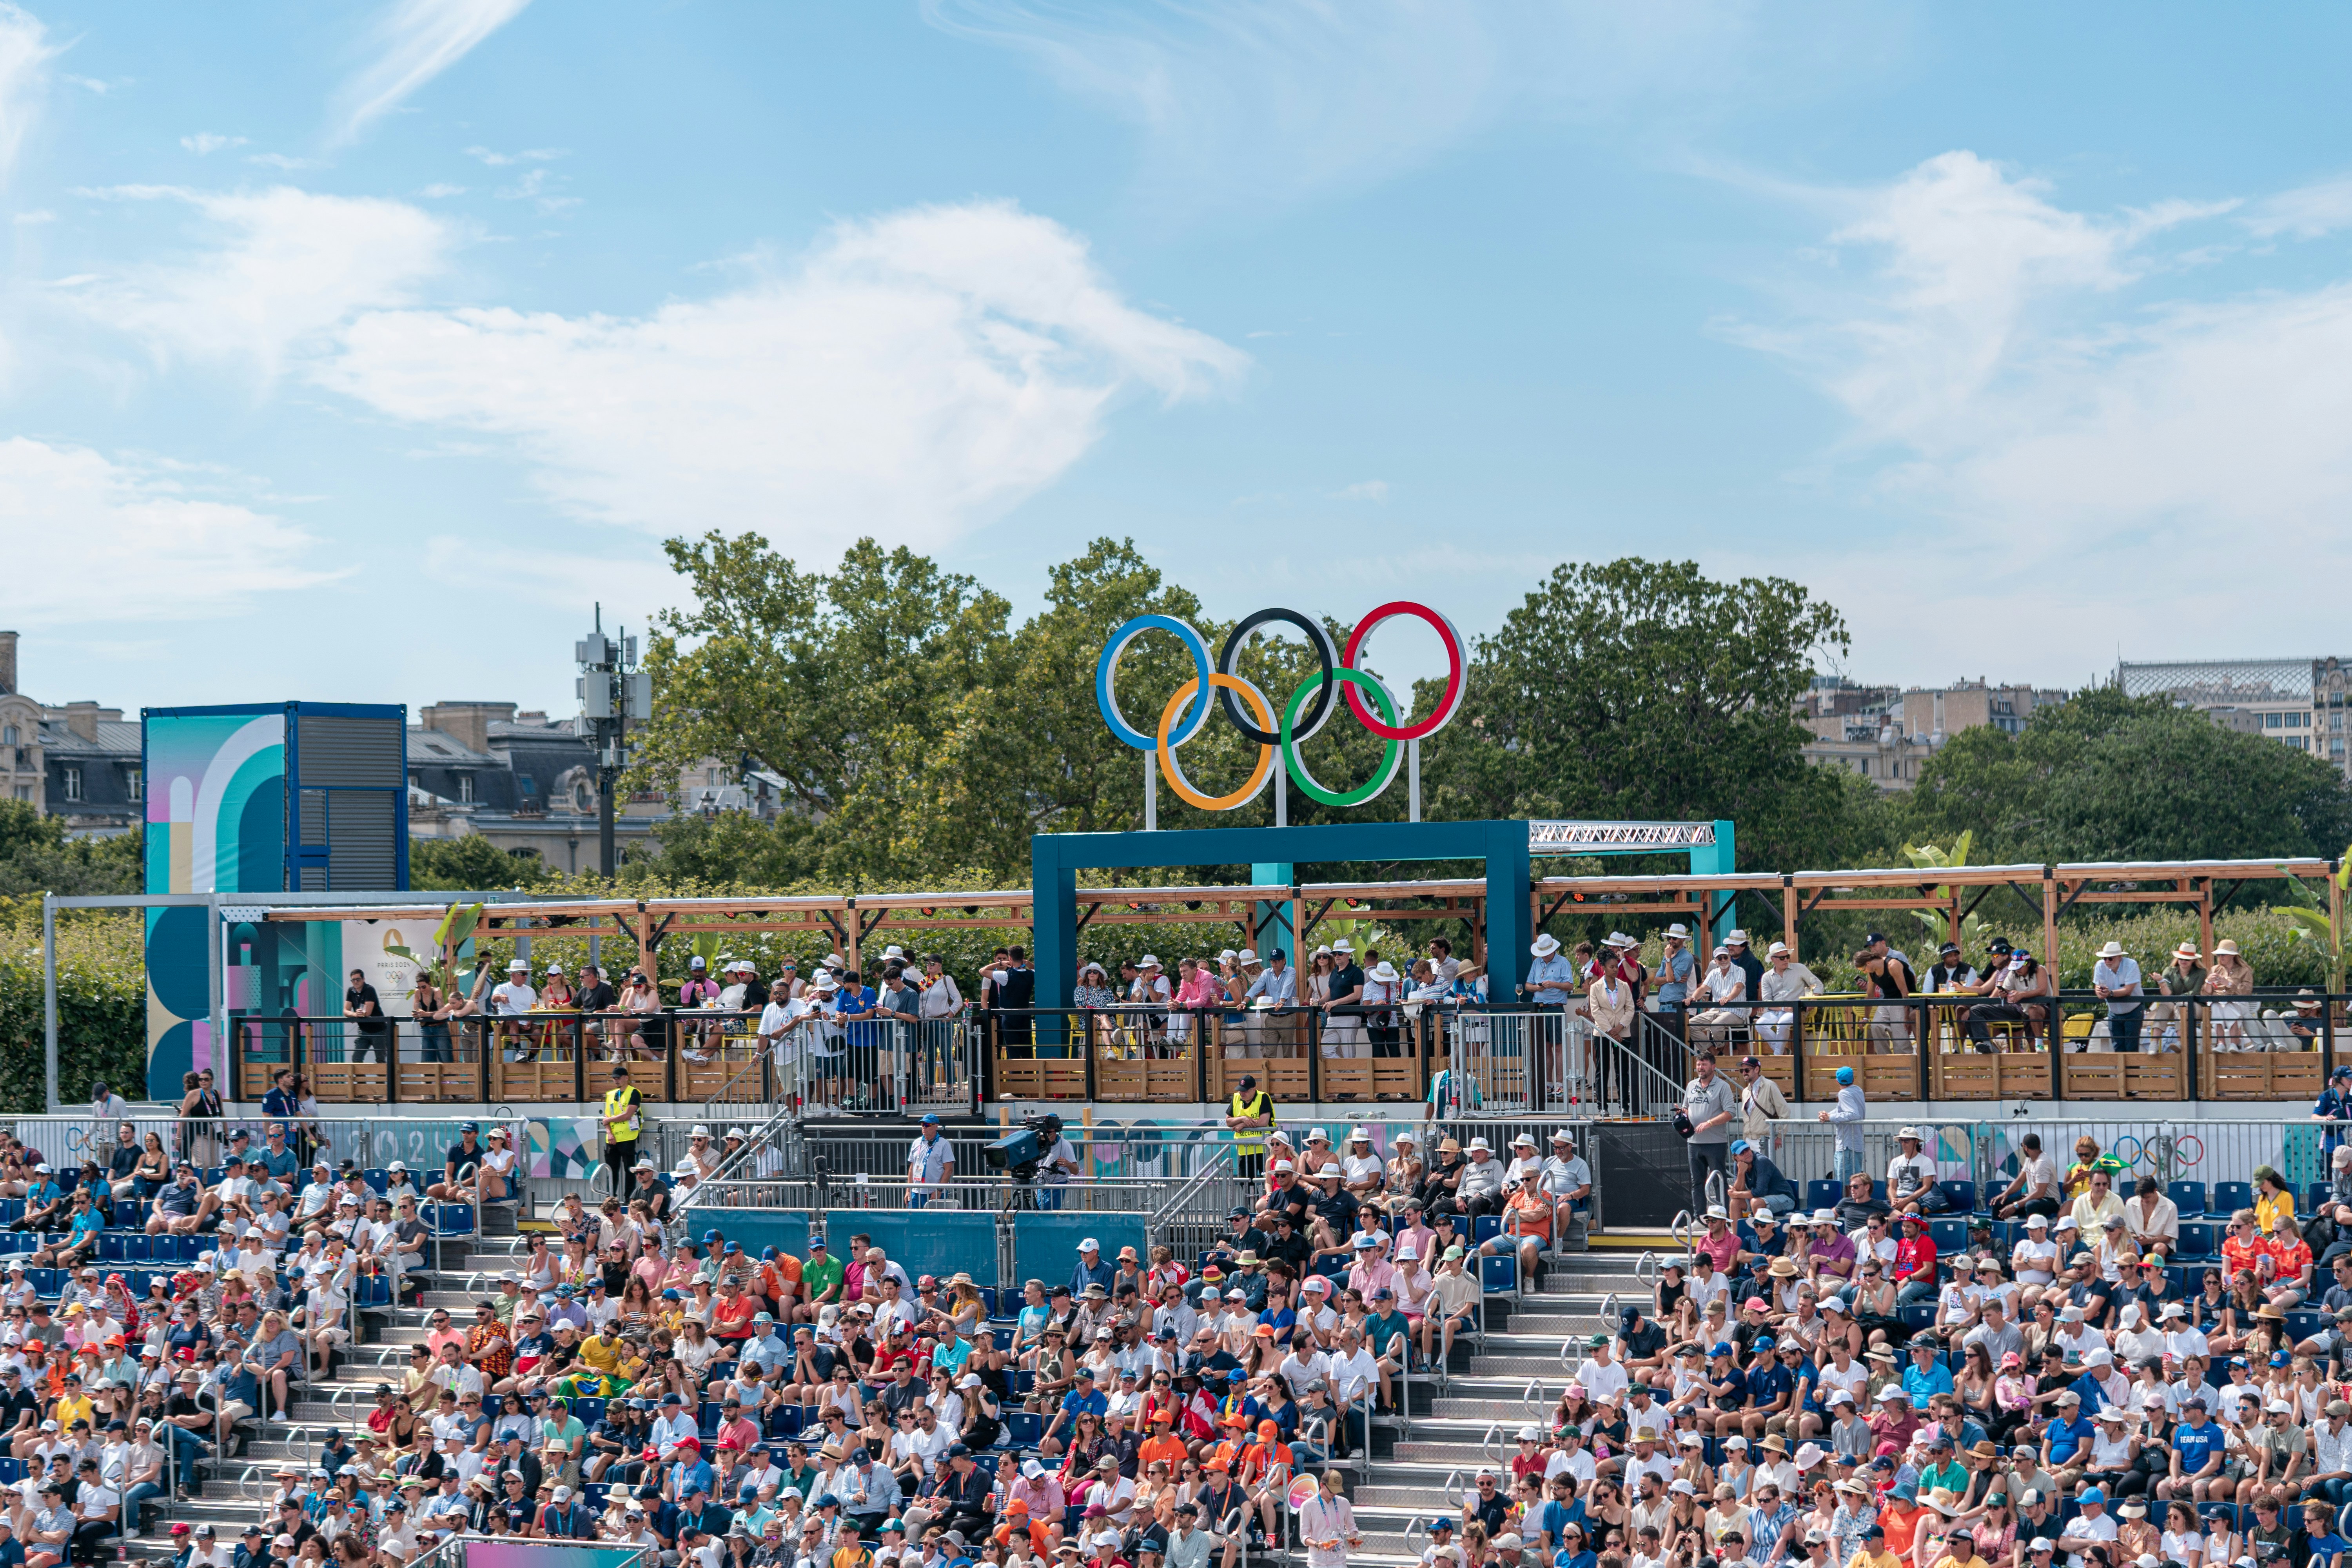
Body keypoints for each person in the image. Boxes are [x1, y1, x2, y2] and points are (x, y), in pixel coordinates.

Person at [1678, 1051, 1738, 1216]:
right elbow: (1686, 1108)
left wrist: (1709, 1123)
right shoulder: (1691, 1085)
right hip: (1693, 1142)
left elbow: (1730, 1112)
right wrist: (1681, 1115)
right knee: (1696, 1182)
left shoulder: (1723, 1086)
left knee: (1719, 1181)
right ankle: (1699, 1217)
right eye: (1698, 1064)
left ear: (1713, 1067)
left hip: (1715, 1143)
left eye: (1704, 1064)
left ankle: (1722, 1217)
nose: (1700, 1068)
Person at [2090, 942, 2144, 1054]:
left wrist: (2109, 994)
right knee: (2118, 1049)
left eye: (2110, 959)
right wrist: (2100, 992)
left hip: (2134, 1011)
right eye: (2105, 958)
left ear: (2120, 957)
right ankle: (2121, 1073)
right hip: (2114, 1013)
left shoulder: (2131, 965)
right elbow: (2098, 989)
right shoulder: (2100, 966)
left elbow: (2128, 990)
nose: (2107, 962)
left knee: (2131, 1049)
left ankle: (2131, 1073)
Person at [1816, 1066, 1864, 1182]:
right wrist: (1828, 1115)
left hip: (1847, 1145)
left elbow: (1853, 1114)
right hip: (1851, 1144)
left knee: (1846, 1183)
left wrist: (1830, 1117)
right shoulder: (1858, 1090)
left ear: (1837, 1081)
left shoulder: (1844, 1093)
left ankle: (1847, 1200)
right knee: (1850, 1181)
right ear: (1853, 1079)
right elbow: (1841, 1110)